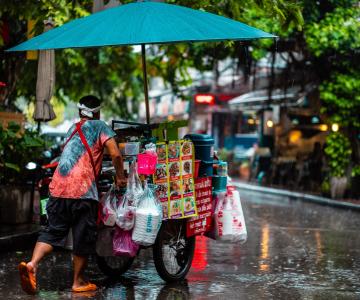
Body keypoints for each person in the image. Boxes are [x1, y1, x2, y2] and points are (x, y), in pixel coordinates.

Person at [18, 95, 127, 294]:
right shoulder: (100, 126)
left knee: (52, 231)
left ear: (79, 112)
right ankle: (77, 282)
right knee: (82, 237)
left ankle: (32, 264)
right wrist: (120, 177)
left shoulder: (71, 129)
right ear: (98, 112)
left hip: (58, 188)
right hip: (83, 191)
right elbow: (116, 153)